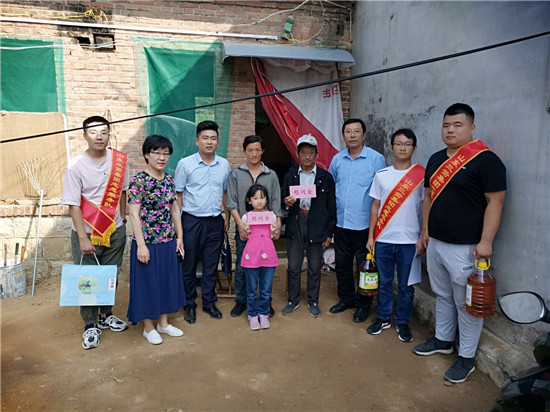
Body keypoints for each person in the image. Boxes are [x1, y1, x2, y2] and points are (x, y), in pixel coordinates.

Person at [413, 103, 506, 384]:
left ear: (472, 128)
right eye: (446, 125)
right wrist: (425, 231)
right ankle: (443, 340)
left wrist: (486, 241)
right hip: (436, 241)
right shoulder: (435, 159)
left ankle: (466, 357)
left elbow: (496, 202)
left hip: (466, 246)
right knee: (442, 294)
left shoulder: (486, 161)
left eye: (457, 125)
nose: (450, 130)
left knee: (467, 303)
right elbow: (428, 197)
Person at [61, 115, 129, 350]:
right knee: (88, 280)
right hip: (87, 232)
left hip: (115, 230)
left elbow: (123, 192)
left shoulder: (119, 161)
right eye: (93, 132)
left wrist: (123, 220)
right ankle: (90, 324)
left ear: (109, 135)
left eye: (104, 132)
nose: (99, 136)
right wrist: (82, 237)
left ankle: (106, 314)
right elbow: (73, 204)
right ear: (84, 136)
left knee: (111, 276)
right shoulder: (75, 165)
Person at [127, 135, 187, 345]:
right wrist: (141, 245)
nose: (162, 157)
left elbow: (175, 210)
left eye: (165, 153)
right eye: (157, 153)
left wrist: (179, 237)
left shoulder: (169, 180)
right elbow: (133, 214)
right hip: (147, 242)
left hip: (167, 241)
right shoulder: (138, 181)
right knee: (147, 284)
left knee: (166, 282)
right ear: (146, 154)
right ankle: (148, 327)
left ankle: (163, 323)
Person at [366, 129, 424, 342]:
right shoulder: (381, 175)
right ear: (391, 147)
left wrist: (423, 236)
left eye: (407, 144)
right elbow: (375, 207)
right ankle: (382, 317)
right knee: (384, 282)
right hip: (383, 239)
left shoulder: (421, 176)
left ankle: (402, 321)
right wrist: (371, 237)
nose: (402, 148)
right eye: (398, 144)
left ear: (414, 148)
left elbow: (427, 208)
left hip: (410, 241)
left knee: (407, 285)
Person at [328, 118, 386, 323]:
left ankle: (363, 305)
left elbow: (381, 192)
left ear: (364, 134)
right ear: (343, 135)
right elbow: (331, 186)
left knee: (364, 267)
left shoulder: (376, 159)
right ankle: (346, 299)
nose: (352, 135)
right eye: (348, 132)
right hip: (342, 223)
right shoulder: (337, 160)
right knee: (342, 265)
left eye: (356, 131)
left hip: (364, 225)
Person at [175, 120, 231, 324]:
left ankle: (209, 302)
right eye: (205, 138)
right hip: (191, 221)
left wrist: (225, 217)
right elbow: (178, 196)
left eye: (213, 138)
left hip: (215, 221)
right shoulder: (185, 164)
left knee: (211, 265)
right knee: (188, 265)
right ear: (197, 141)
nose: (209, 142)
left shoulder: (224, 164)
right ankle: (189, 303)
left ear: (218, 142)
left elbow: (224, 192)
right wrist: (178, 228)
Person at [226, 135, 283, 318]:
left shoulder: (271, 175)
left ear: (262, 151)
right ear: (244, 151)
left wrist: (277, 223)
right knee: (242, 266)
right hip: (245, 229)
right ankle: (241, 301)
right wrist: (240, 224)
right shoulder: (235, 174)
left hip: (265, 232)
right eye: (250, 150)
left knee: (265, 266)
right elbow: (231, 202)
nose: (254, 153)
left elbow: (276, 202)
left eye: (258, 150)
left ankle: (266, 303)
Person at [281, 134, 336, 317]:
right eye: (303, 153)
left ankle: (313, 300)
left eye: (310, 153)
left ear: (316, 154)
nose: (307, 156)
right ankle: (293, 299)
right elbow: (282, 200)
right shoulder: (290, 175)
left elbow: (331, 207)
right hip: (296, 222)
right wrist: (287, 202)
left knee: (314, 265)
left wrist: (329, 233)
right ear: (298, 154)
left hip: (317, 225)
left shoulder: (325, 178)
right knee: (294, 264)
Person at [240, 185, 279, 330]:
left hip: (268, 255)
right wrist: (245, 231)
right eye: (255, 198)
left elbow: (274, 236)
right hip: (251, 256)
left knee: (266, 289)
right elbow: (243, 238)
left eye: (262, 198)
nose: (259, 201)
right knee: (251, 289)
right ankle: (252, 314)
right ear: (249, 200)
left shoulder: (271, 216)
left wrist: (274, 231)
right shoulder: (246, 217)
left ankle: (263, 313)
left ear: (267, 199)